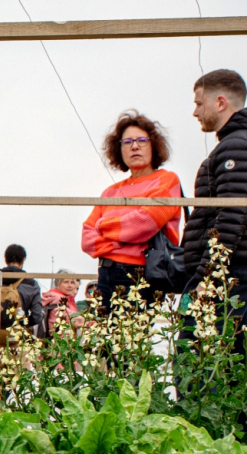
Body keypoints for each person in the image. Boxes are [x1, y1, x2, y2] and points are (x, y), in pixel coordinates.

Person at [181, 69, 247, 372]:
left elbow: (232, 215)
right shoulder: (246, 142)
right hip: (239, 265)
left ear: (221, 102)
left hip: (229, 267)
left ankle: (217, 419)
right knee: (233, 351)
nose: (195, 111)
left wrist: (208, 276)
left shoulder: (238, 146)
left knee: (196, 350)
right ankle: (243, 418)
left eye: (200, 103)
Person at [81, 110, 182, 311]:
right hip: (105, 274)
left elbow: (143, 224)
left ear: (153, 145)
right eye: (127, 142)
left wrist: (104, 226)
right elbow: (87, 239)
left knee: (131, 340)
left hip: (141, 275)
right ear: (118, 149)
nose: (134, 146)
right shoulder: (109, 192)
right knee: (105, 340)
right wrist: (124, 239)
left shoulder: (167, 180)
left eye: (142, 140)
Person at [0, 244, 43, 329]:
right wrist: (23, 322)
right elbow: (37, 317)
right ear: (23, 260)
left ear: (5, 259)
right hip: (17, 337)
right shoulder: (31, 284)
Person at [41, 269, 84, 335]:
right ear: (57, 284)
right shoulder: (56, 300)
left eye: (72, 282)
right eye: (66, 282)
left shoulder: (67, 299)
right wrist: (92, 322)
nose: (70, 285)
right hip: (60, 342)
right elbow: (73, 319)